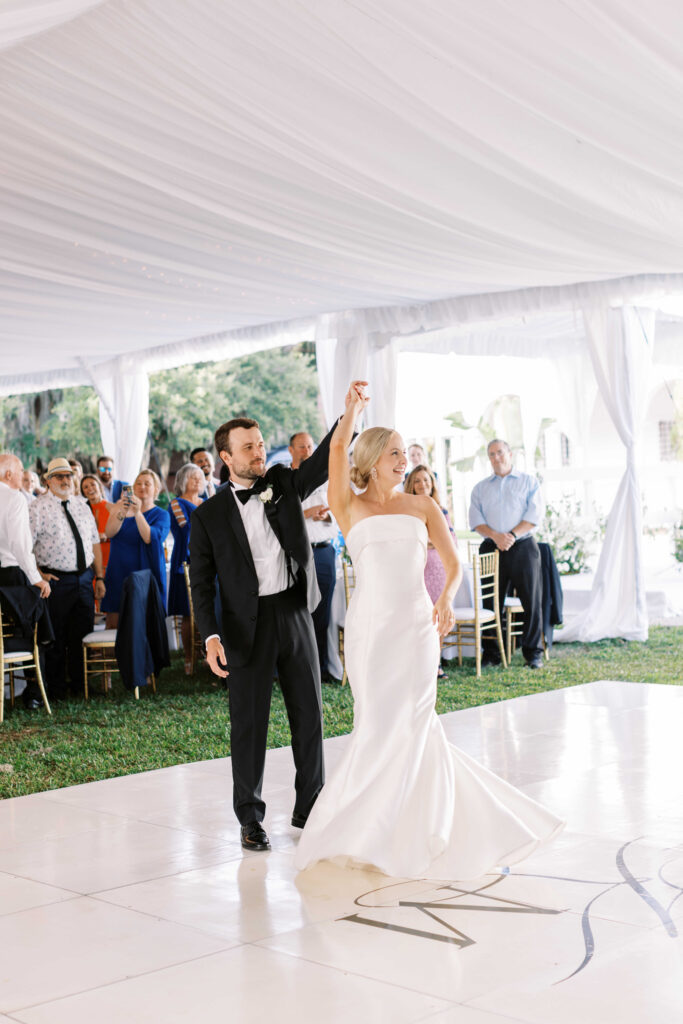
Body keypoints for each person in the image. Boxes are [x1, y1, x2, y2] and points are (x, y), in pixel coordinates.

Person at [294, 389, 563, 880]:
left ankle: (423, 830)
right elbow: (335, 451)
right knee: (376, 724)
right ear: (373, 460)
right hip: (370, 631)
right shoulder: (347, 506)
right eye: (395, 452)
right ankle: (369, 830)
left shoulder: (423, 507)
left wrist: (443, 600)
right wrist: (352, 412)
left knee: (416, 721)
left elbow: (455, 564)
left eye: (404, 451)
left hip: (417, 626)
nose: (405, 459)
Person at [189, 382, 360, 854]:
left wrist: (349, 412)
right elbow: (200, 584)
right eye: (249, 447)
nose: (259, 451)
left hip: (292, 610)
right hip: (245, 626)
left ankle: (311, 806)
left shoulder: (283, 482)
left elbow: (326, 458)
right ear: (227, 457)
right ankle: (250, 817)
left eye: (261, 444)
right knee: (249, 724)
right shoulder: (207, 517)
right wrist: (211, 637)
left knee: (310, 713)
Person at [29, 458, 105, 700]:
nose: (65, 480)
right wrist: (39, 574)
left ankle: (81, 684)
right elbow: (25, 546)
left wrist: (99, 576)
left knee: (82, 633)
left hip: (84, 578)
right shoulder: (37, 507)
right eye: (59, 476)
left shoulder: (83, 505)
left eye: (68, 476)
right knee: (57, 636)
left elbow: (94, 542)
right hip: (56, 581)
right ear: (48, 480)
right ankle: (57, 688)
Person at [469, 439, 545, 669]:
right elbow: (475, 520)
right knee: (491, 602)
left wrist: (510, 535)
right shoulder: (480, 488)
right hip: (491, 547)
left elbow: (534, 515)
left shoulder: (529, 482)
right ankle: (492, 653)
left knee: (531, 600)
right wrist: (496, 536)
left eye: (500, 453)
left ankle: (533, 654)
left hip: (522, 545)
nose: (496, 458)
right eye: (491, 454)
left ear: (510, 454)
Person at [288, 431, 338, 682]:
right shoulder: (285, 479)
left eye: (310, 446)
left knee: (323, 612)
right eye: (301, 446)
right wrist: (307, 512)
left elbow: (339, 515)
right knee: (297, 611)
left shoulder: (326, 479)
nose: (307, 450)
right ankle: (298, 669)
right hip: (297, 555)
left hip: (324, 551)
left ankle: (322, 667)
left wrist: (326, 515)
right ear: (291, 450)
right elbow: (280, 517)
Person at [404, 463, 456, 678]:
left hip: (437, 567)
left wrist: (431, 541)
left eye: (426, 480)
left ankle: (436, 662)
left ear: (432, 484)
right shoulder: (406, 509)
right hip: (416, 567)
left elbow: (451, 542)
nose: (422, 484)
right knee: (417, 615)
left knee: (437, 614)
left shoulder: (441, 511)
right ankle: (417, 662)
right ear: (411, 485)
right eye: (417, 480)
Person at [101, 470, 170, 628]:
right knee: (114, 620)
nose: (142, 486)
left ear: (156, 489)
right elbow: (110, 532)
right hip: (118, 572)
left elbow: (148, 537)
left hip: (145, 573)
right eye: (138, 483)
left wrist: (138, 513)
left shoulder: (162, 515)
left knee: (145, 622)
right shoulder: (120, 509)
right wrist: (123, 511)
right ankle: (114, 653)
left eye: (147, 483)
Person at [167, 462, 205, 672]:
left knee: (206, 609)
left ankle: (207, 653)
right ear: (183, 481)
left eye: (200, 477)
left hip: (206, 560)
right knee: (187, 613)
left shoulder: (206, 501)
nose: (198, 481)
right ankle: (189, 657)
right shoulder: (176, 504)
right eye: (193, 477)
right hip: (185, 561)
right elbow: (187, 528)